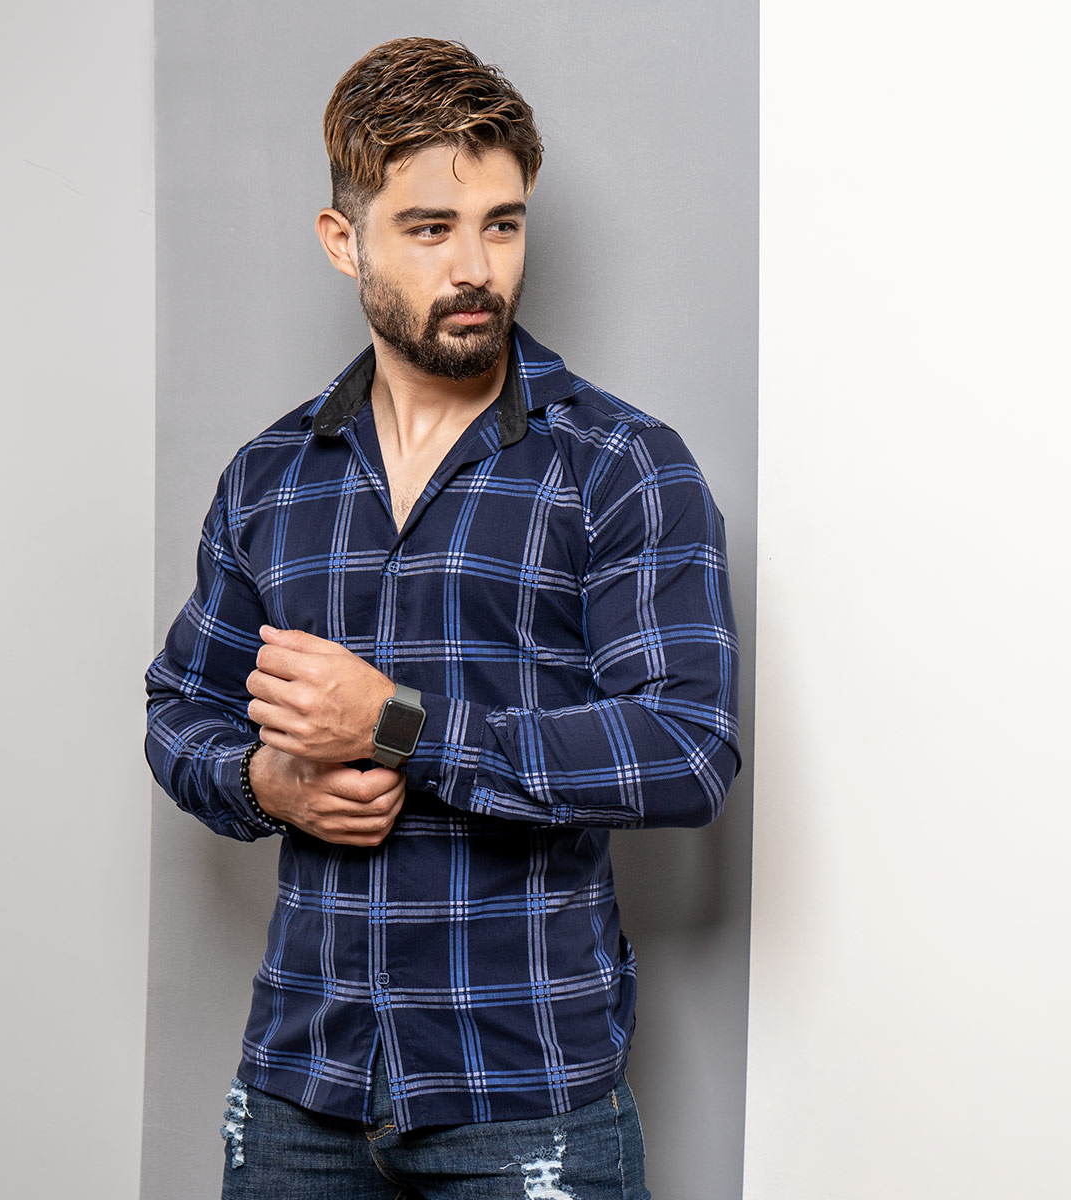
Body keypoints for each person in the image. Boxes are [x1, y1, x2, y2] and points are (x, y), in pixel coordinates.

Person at [146, 36, 739, 1200]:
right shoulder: (272, 477)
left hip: (524, 1096)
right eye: (430, 229)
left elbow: (687, 750)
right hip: (299, 1088)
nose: (477, 267)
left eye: (502, 225)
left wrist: (399, 725)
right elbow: (180, 708)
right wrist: (264, 783)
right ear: (344, 241)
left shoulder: (621, 465)